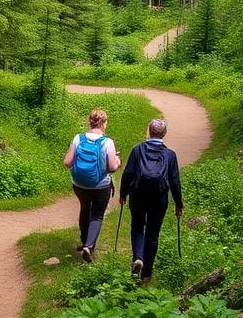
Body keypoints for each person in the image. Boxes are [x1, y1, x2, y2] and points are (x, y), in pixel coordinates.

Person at [119, 118, 183, 283]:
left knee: (137, 227)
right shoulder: (169, 154)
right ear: (164, 134)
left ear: (149, 131)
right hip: (159, 198)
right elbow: (175, 180)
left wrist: (123, 194)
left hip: (138, 195)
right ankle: (147, 273)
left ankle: (138, 258)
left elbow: (128, 173)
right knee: (153, 233)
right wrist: (178, 203)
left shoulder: (137, 149)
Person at [64, 109, 120, 262]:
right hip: (101, 186)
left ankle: (84, 241)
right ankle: (89, 246)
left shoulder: (78, 138)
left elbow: (67, 163)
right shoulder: (107, 142)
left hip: (80, 185)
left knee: (84, 208)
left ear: (90, 122)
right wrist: (117, 160)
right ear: (104, 123)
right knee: (96, 215)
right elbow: (112, 168)